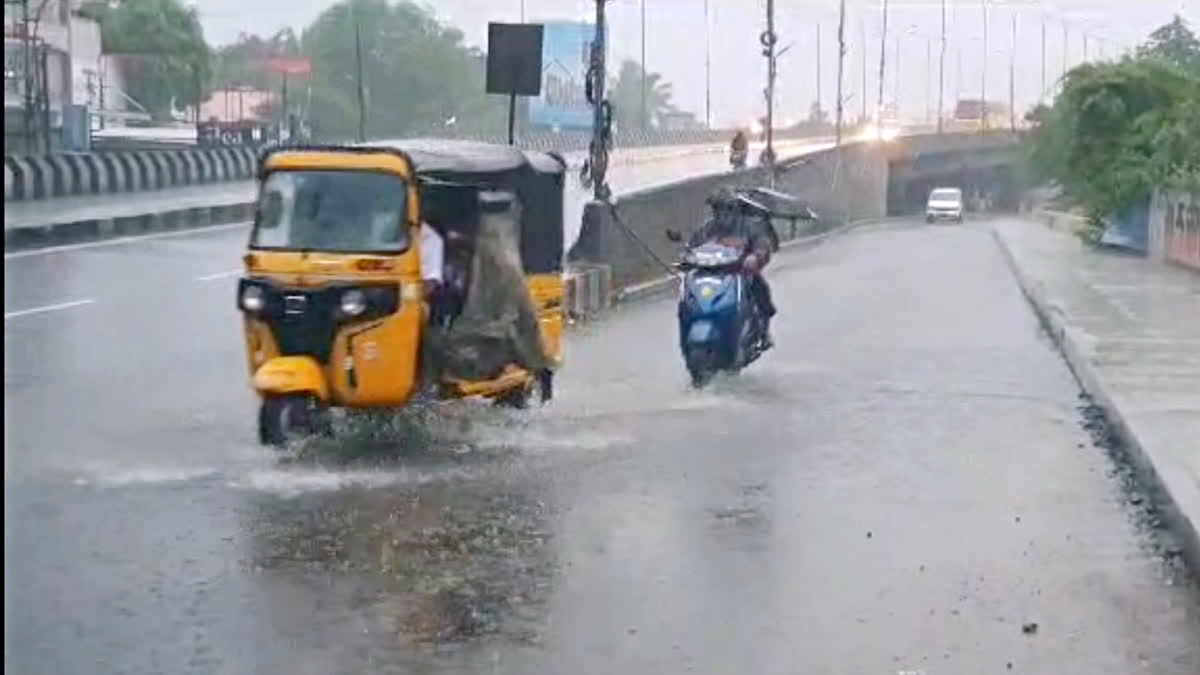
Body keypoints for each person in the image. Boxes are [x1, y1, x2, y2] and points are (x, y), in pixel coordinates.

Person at [687, 188, 777, 347]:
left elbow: (762, 243)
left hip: (739, 273)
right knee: (687, 295)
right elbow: (693, 246)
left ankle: (764, 332)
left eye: (724, 209)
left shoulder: (749, 226)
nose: (721, 214)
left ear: (733, 209)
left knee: (760, 287)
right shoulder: (707, 229)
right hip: (711, 275)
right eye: (717, 209)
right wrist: (686, 256)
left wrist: (756, 256)